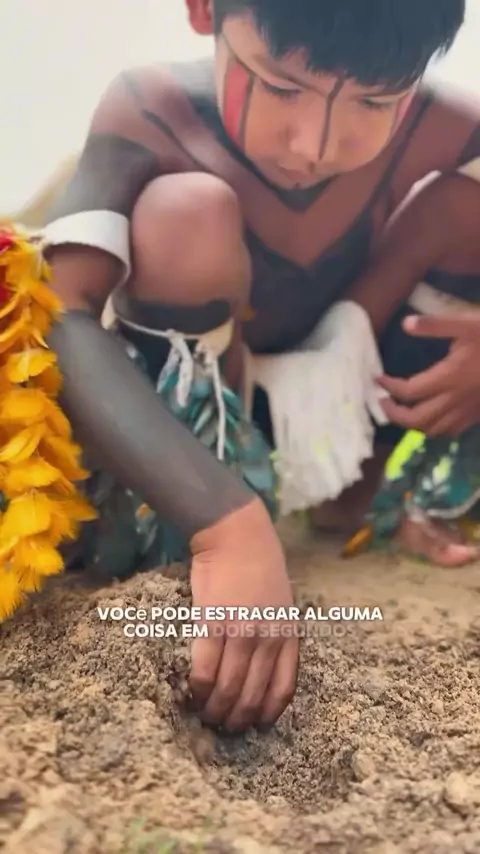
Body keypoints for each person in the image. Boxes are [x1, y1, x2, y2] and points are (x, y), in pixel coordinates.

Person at [35, 0, 480, 732]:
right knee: (185, 213)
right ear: (204, 9)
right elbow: (61, 310)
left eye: (375, 102)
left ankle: (369, 498)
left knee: (468, 205)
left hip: (349, 385)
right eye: (279, 86)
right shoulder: (152, 110)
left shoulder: (447, 124)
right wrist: (226, 529)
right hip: (206, 415)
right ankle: (193, 526)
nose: (314, 145)